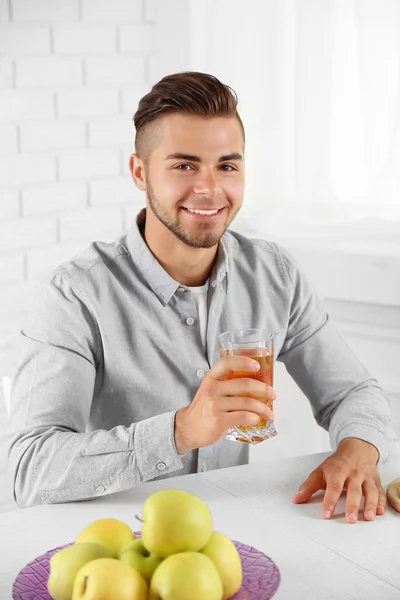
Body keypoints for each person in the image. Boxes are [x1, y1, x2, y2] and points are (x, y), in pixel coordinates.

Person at [7, 72, 395, 523]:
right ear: (139, 171)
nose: (210, 188)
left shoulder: (274, 273)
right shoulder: (75, 295)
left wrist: (358, 449)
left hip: (237, 533)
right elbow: (30, 469)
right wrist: (180, 431)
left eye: (227, 166)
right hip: (116, 548)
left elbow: (352, 392)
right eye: (184, 165)